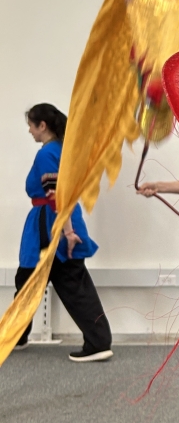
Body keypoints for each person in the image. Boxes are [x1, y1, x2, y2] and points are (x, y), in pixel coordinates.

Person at [14, 104, 113, 362]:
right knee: (62, 281)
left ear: (42, 126)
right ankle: (18, 336)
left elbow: (56, 196)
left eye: (31, 125)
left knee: (38, 281)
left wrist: (66, 232)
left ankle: (98, 343)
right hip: (56, 223)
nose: (30, 130)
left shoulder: (47, 153)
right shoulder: (62, 151)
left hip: (52, 226)